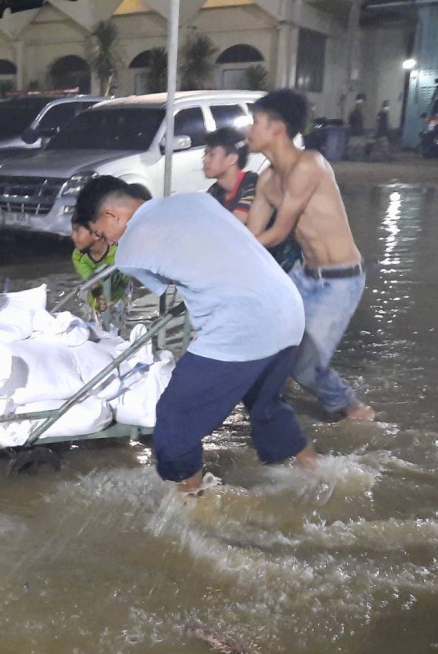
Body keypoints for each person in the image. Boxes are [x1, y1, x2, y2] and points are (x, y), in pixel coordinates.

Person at [74, 176, 318, 494]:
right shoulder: (197, 199)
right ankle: (320, 476)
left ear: (111, 216)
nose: (109, 241)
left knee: (174, 420)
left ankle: (192, 506)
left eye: (102, 233)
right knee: (265, 406)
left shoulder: (130, 250)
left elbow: (160, 284)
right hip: (288, 311)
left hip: (241, 325)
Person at [245, 89, 375, 422]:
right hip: (305, 275)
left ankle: (350, 409)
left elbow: (277, 232)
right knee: (263, 336)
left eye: (255, 122)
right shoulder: (266, 180)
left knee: (307, 367)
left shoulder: (309, 164)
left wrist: (231, 256)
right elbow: (251, 235)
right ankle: (283, 405)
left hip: (341, 280)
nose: (249, 130)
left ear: (277, 128)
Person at [203, 128, 301, 272]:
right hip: (249, 263)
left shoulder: (252, 185)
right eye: (205, 155)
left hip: (280, 266)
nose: (205, 160)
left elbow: (234, 226)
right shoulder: (215, 192)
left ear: (231, 159)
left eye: (211, 155)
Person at [69, 219, 129, 317]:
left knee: (117, 324)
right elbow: (92, 281)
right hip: (94, 299)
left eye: (78, 232)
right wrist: (100, 298)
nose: (73, 237)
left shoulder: (118, 251)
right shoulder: (78, 256)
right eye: (73, 231)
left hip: (120, 294)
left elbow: (129, 278)